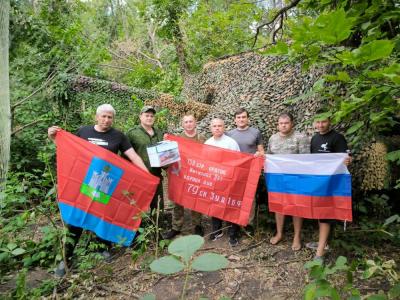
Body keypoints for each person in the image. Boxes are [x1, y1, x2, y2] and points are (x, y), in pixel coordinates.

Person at [48, 104, 148, 277]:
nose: (106, 120)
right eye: (103, 116)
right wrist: (52, 137)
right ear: (96, 117)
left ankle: (103, 247)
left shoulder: (119, 136)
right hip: (83, 182)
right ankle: (66, 258)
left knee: (103, 214)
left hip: (105, 183)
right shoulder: (83, 131)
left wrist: (147, 176)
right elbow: (67, 148)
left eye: (110, 117)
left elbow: (133, 156)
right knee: (77, 218)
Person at [308, 114, 351, 260]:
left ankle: (320, 253)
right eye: (318, 122)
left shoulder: (337, 138)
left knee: (325, 215)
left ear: (329, 121)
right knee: (320, 213)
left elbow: (344, 160)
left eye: (324, 121)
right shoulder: (314, 139)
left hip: (332, 184)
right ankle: (323, 243)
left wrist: (347, 160)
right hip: (319, 182)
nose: (320, 125)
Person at [267, 112, 310, 251]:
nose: (283, 125)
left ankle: (297, 237)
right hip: (278, 179)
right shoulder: (273, 138)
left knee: (296, 207)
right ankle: (279, 233)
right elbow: (269, 157)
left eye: (286, 123)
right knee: (279, 206)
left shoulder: (300, 137)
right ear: (278, 124)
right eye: (281, 123)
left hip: (296, 178)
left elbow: (306, 159)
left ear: (292, 123)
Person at [164, 115, 206, 239]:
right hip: (180, 174)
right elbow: (169, 156)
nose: (188, 124)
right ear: (183, 124)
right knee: (178, 201)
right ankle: (176, 227)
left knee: (196, 200)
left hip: (196, 174)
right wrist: (166, 142)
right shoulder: (176, 139)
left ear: (195, 123)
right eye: (186, 122)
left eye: (191, 121)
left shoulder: (202, 138)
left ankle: (197, 225)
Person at [226, 108, 265, 236]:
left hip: (251, 171)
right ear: (234, 120)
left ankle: (248, 224)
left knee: (250, 197)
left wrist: (259, 154)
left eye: (243, 117)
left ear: (248, 118)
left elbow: (261, 151)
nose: (241, 119)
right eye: (238, 117)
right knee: (233, 196)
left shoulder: (256, 132)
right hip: (235, 171)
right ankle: (234, 222)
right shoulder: (229, 134)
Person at [205, 118, 241, 246]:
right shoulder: (208, 143)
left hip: (229, 180)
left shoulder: (231, 143)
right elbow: (205, 163)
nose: (217, 128)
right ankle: (217, 231)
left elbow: (239, 162)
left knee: (231, 206)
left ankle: (233, 234)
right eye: (214, 126)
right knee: (215, 205)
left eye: (220, 125)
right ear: (211, 128)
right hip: (215, 181)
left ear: (224, 127)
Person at [126, 106, 164, 211]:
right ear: (140, 117)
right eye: (146, 115)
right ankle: (137, 227)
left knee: (158, 206)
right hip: (139, 176)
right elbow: (125, 155)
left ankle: (157, 226)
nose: (149, 118)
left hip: (156, 175)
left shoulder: (160, 133)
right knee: (137, 206)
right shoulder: (132, 133)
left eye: (152, 116)